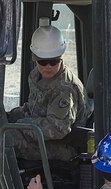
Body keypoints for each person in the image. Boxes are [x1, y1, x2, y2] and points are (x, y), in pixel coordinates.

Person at [8, 18, 87, 162]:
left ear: (61, 57)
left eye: (54, 61)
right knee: (0, 130)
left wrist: (22, 125)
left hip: (63, 147)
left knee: (6, 140)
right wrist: (8, 117)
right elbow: (33, 109)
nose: (48, 66)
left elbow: (56, 129)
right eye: (43, 62)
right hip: (41, 138)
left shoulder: (65, 88)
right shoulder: (36, 76)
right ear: (35, 58)